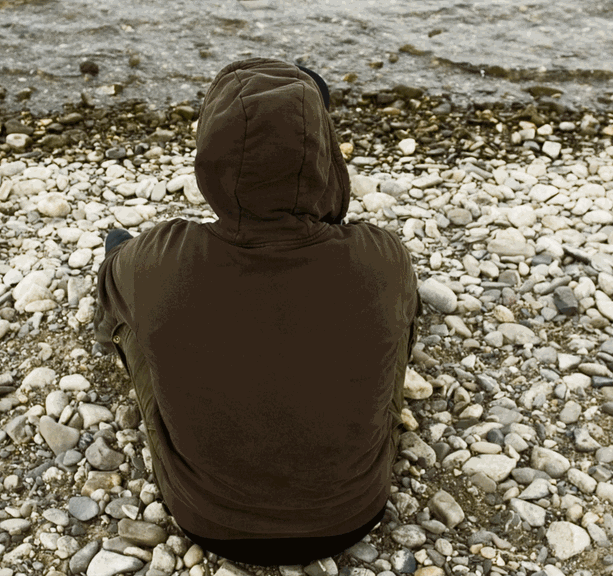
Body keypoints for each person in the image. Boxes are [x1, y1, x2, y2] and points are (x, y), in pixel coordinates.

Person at [94, 57, 420, 566]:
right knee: (394, 320)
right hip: (353, 512)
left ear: (211, 156)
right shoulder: (383, 258)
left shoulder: (162, 257)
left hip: (211, 519)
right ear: (325, 156)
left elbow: (107, 299)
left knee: (131, 298)